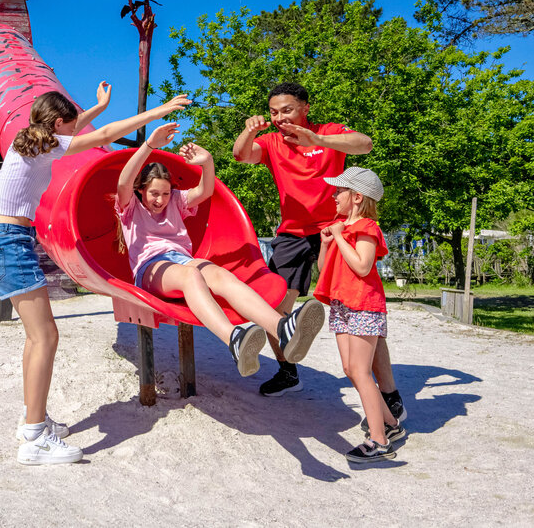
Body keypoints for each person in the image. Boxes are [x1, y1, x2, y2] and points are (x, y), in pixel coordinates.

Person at [0, 85, 191, 466]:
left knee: (37, 337)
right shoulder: (44, 146)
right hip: (11, 244)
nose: (73, 130)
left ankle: (33, 422)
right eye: (69, 124)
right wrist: (158, 112)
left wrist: (97, 106)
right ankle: (34, 439)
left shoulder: (31, 143)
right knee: (45, 336)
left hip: (7, 241)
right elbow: (102, 136)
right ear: (56, 124)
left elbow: (78, 128)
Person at [232, 82, 404, 421]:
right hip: (293, 232)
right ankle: (287, 371)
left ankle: (389, 392)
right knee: (272, 304)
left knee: (359, 313)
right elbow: (241, 155)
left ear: (304, 109)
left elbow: (365, 144)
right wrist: (247, 132)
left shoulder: (328, 132)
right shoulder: (270, 141)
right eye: (273, 112)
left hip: (337, 228)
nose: (279, 117)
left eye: (287, 110)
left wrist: (318, 141)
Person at [114, 123, 314, 378]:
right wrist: (150, 145)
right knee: (191, 276)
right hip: (151, 267)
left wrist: (207, 162)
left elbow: (205, 191)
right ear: (141, 190)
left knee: (221, 275)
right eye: (153, 193)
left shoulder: (175, 201)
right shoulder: (130, 207)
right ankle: (233, 339)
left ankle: (282, 328)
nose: (160, 199)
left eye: (165, 193)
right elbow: (123, 181)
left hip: (182, 260)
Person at [314, 166, 405, 463]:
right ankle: (390, 423)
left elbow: (363, 266)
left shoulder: (366, 227)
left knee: (361, 371)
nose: (333, 196)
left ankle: (379, 441)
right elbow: (323, 268)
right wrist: (327, 243)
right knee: (351, 370)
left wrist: (340, 236)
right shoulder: (342, 227)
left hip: (364, 304)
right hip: (343, 304)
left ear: (356, 197)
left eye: (338, 191)